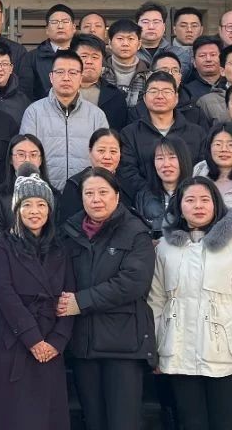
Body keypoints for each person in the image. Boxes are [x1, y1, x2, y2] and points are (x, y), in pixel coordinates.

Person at [151, 177, 232, 430]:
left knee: (224, 422)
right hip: (179, 352)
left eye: (205, 199)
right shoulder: (164, 248)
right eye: (190, 200)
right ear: (179, 206)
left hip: (222, 352)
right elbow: (156, 301)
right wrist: (156, 349)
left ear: (216, 204)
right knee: (190, 422)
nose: (198, 206)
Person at [57, 168, 158, 430]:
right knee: (94, 421)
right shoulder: (70, 233)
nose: (96, 199)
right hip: (84, 345)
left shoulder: (135, 232)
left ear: (117, 195)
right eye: (89, 193)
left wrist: (82, 301)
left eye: (103, 192)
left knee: (122, 422)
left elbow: (133, 283)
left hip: (123, 345)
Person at [0, 165, 73, 430]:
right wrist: (33, 339)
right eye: (27, 205)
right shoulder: (3, 244)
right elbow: (5, 294)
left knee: (44, 417)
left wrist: (57, 341)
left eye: (41, 204)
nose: (34, 211)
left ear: (49, 210)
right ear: (17, 210)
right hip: (14, 339)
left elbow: (69, 297)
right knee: (11, 417)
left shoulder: (60, 248)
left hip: (50, 343)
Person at [20, 50, 110, 187]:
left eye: (73, 73)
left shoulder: (96, 116)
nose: (66, 78)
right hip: (44, 192)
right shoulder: (34, 112)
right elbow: (25, 157)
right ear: (51, 77)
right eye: (60, 72)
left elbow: (104, 158)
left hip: (85, 191)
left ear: (81, 78)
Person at [119, 71, 206, 193]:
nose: (160, 96)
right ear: (144, 98)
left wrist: (184, 195)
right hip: (144, 200)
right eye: (153, 91)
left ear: (176, 98)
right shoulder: (129, 134)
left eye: (166, 91)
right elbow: (128, 172)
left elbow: (202, 169)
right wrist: (149, 197)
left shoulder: (196, 133)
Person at [57, 128, 127, 224]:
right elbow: (67, 226)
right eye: (101, 150)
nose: (107, 156)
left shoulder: (127, 183)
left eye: (113, 151)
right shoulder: (75, 184)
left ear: (120, 153)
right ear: (90, 152)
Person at [134, 136, 192, 240]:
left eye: (172, 157)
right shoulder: (143, 196)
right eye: (160, 158)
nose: (166, 164)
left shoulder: (194, 194)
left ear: (183, 159)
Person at [72, 33, 132, 127]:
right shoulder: (54, 93)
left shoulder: (115, 97)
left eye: (95, 57)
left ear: (102, 61)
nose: (89, 61)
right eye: (84, 56)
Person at [19, 4, 76, 99]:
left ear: (74, 28)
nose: (60, 26)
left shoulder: (83, 55)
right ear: (47, 30)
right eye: (54, 22)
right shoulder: (31, 58)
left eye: (65, 21)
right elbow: (25, 93)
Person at [0, 134, 52, 230]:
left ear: (40, 160)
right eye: (21, 155)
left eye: (33, 155)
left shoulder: (54, 195)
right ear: (11, 159)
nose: (27, 160)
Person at [103, 19, 152, 107]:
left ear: (139, 44)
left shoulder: (149, 77)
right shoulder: (99, 73)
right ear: (110, 43)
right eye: (120, 39)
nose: (125, 44)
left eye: (131, 39)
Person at [135, 1, 193, 73]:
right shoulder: (128, 53)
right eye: (145, 22)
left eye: (156, 22)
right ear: (136, 26)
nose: (151, 27)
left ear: (164, 27)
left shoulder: (179, 54)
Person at [185, 36, 223, 100]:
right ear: (194, 61)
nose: (208, 59)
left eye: (213, 55)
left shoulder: (231, 85)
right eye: (202, 55)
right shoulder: (186, 91)